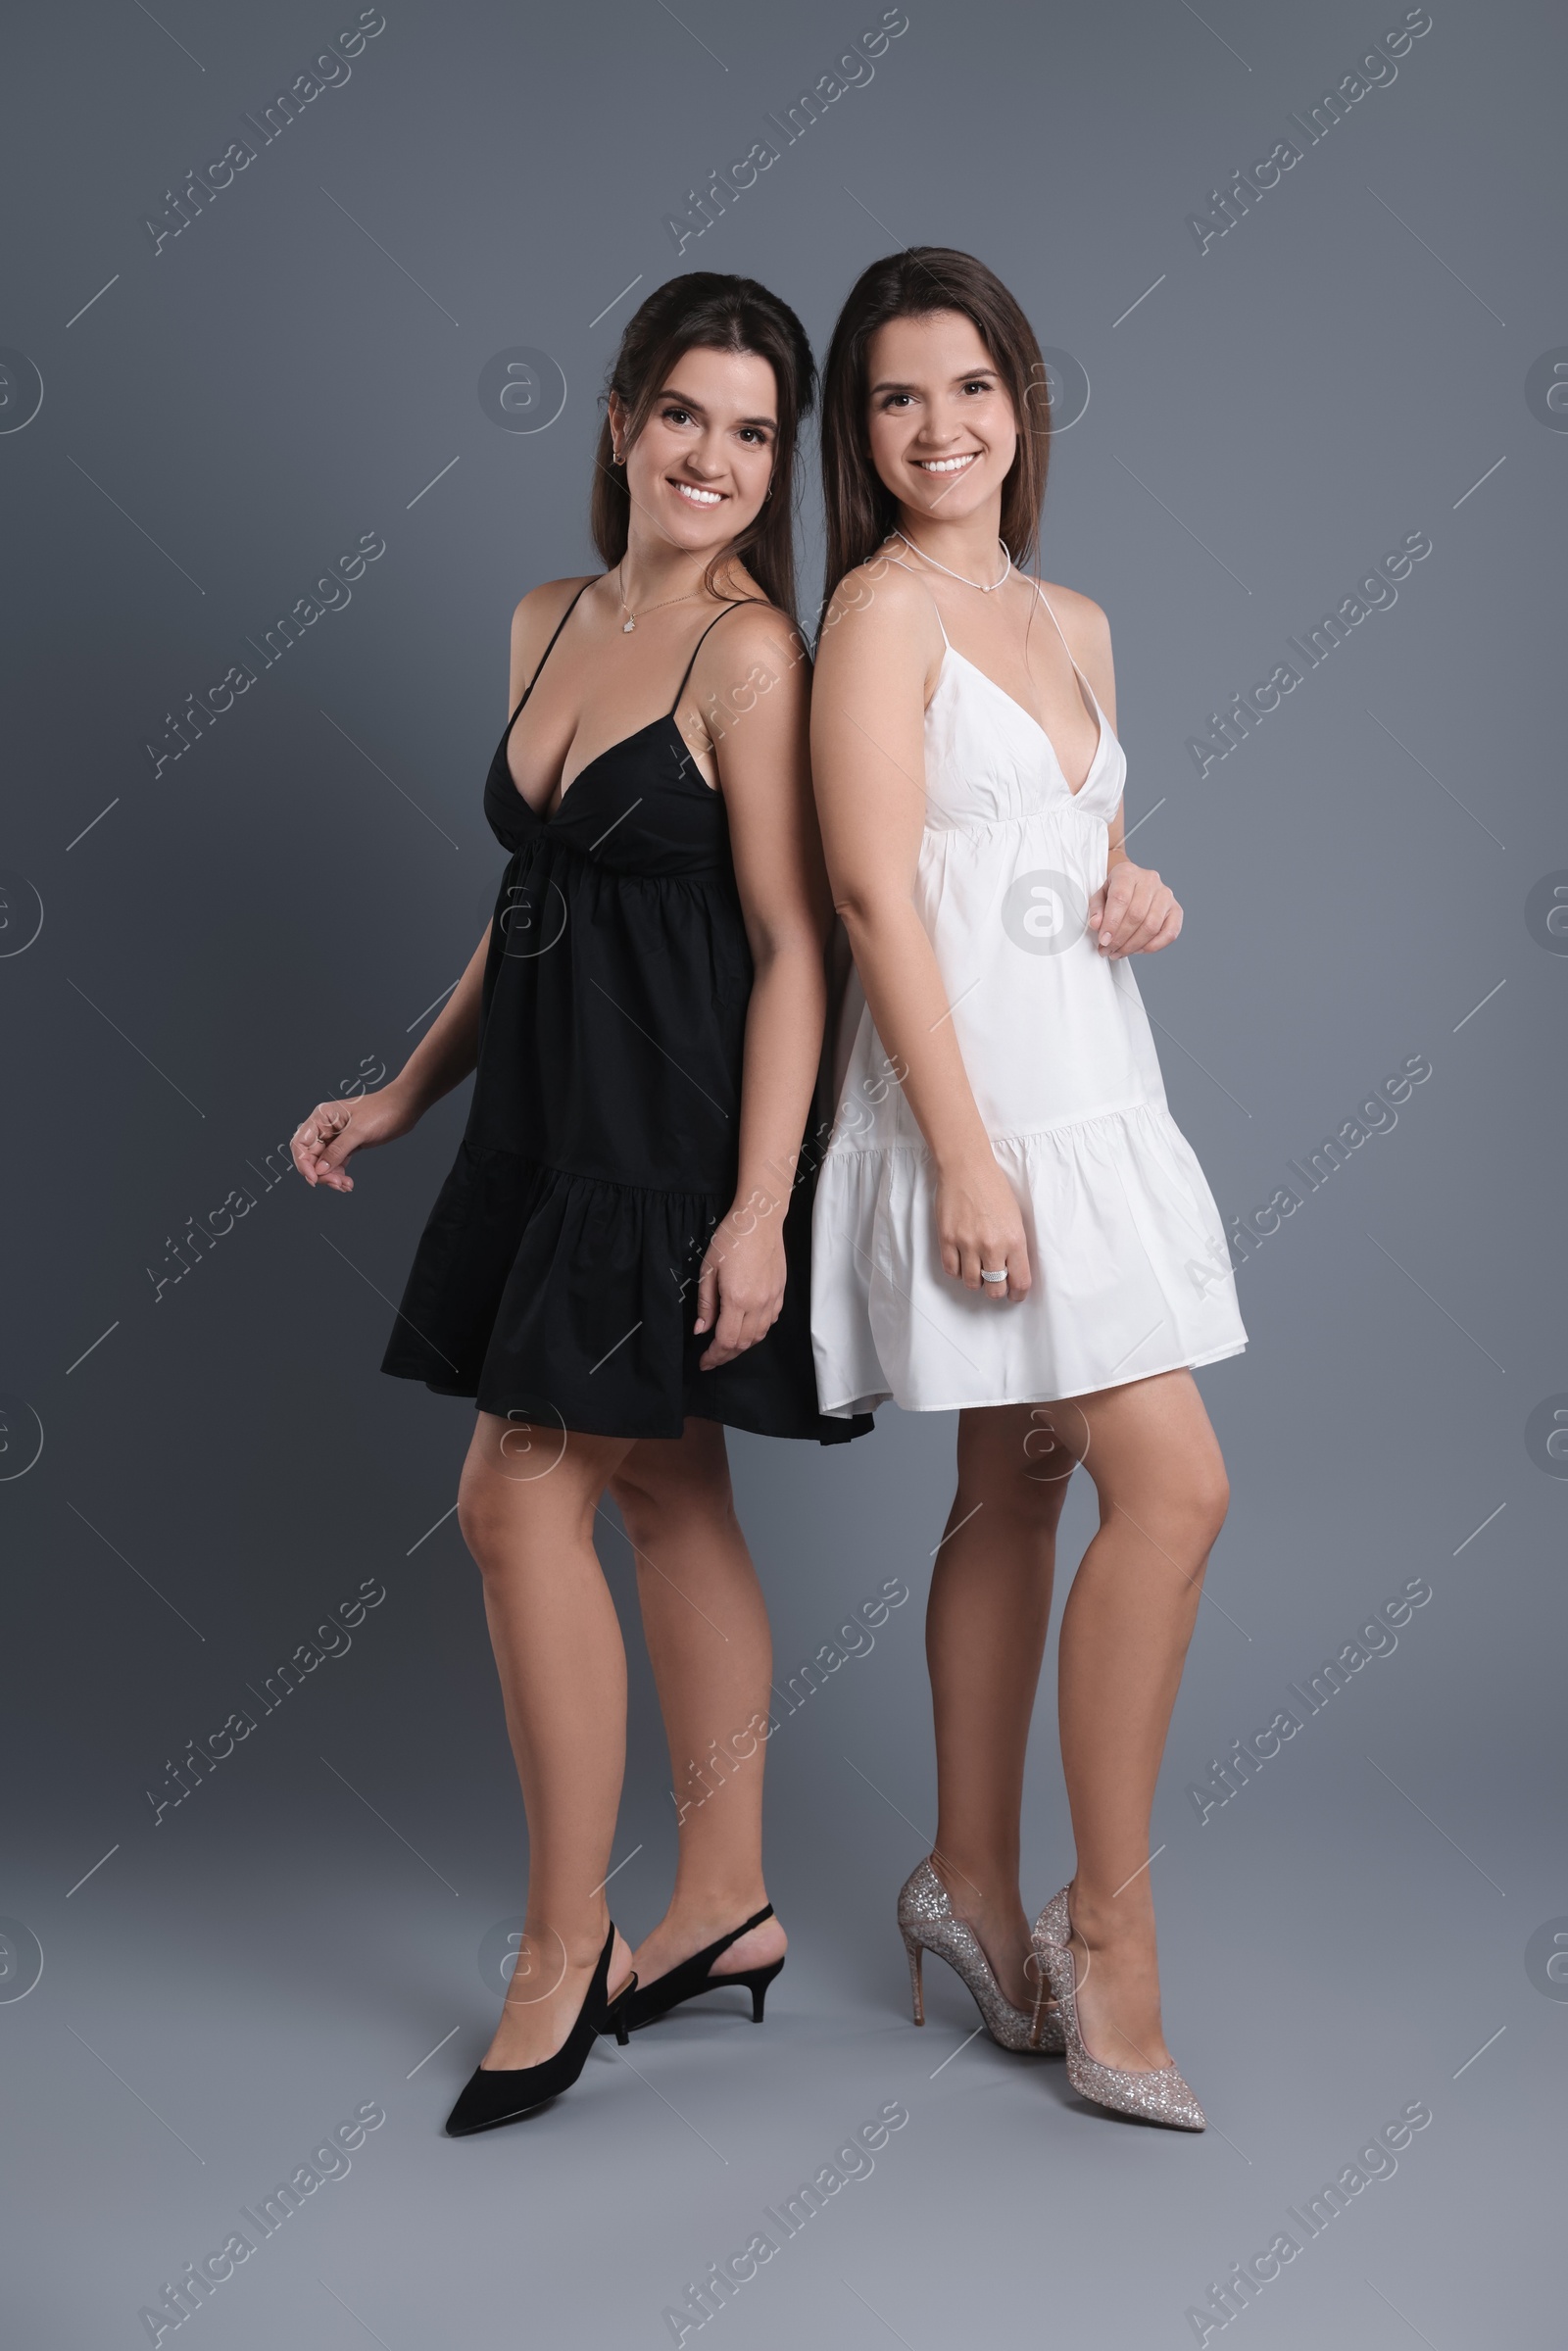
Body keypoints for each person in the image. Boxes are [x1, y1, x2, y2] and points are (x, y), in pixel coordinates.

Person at [291, 273, 869, 2137]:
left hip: (676, 1144)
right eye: (686, 414)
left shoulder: (749, 654)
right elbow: (531, 904)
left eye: (756, 433)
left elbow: (794, 947)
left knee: (516, 1500)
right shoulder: (548, 617)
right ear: (620, 417)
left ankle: (564, 1957)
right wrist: (402, 1091)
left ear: (775, 463)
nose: (715, 459)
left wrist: (760, 1209)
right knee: (670, 1490)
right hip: (544, 1128)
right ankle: (731, 1908)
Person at [808, 248, 1246, 2130]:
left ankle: (968, 1881)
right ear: (863, 428)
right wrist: (964, 1153)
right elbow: (868, 896)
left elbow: (1085, 855)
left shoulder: (1077, 618)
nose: (941, 428)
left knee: (1023, 1476)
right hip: (979, 1122)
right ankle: (1109, 1934)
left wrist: (1140, 894)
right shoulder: (875, 614)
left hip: (1097, 1088)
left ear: (1021, 403)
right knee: (1178, 1482)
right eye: (899, 397)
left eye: (971, 388)